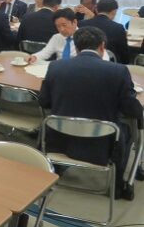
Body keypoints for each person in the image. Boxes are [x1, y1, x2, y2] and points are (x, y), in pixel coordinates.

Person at [38, 27, 142, 198]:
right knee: (128, 130)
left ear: (76, 46)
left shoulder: (56, 66)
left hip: (59, 139)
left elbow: (44, 101)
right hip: (101, 144)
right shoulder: (118, 71)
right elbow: (130, 109)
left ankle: (56, 168)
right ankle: (117, 186)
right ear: (102, 46)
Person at [80, 0, 129, 64]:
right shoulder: (118, 27)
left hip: (83, 62)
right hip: (110, 64)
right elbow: (124, 53)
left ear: (96, 10)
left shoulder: (81, 24)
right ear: (114, 11)